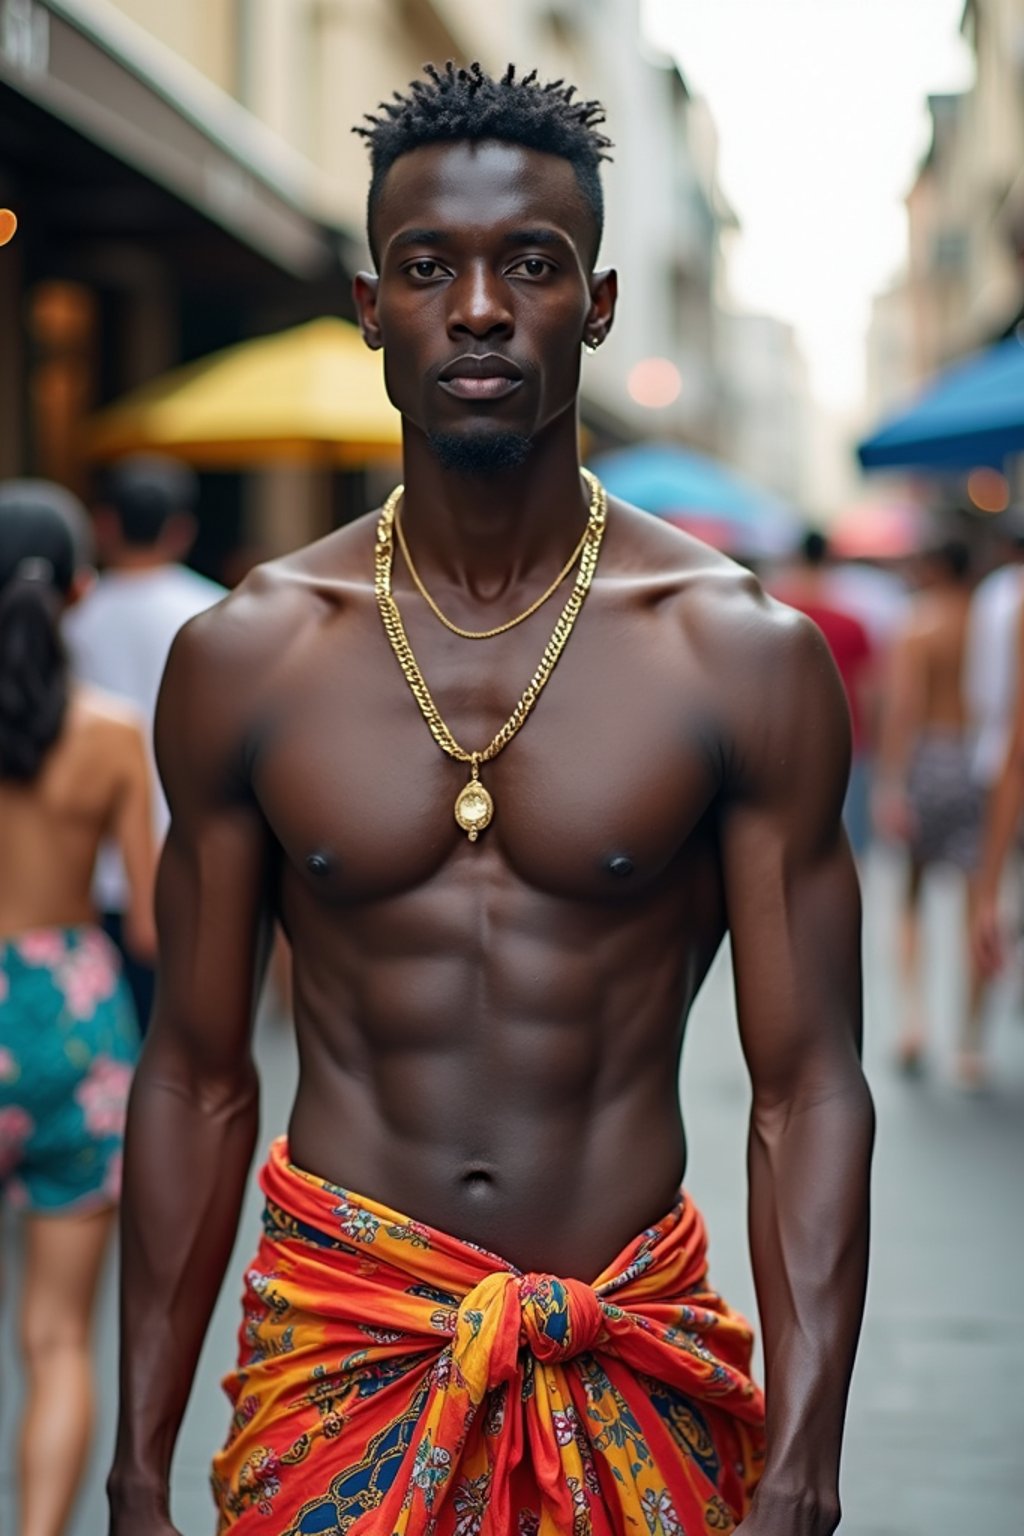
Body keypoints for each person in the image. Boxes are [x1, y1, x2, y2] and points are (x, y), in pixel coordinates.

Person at [108, 63, 872, 1536]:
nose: (476, 308)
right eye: (426, 268)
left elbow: (809, 1083)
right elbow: (197, 1071)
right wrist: (137, 1466)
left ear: (596, 302)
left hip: (624, 1361)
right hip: (339, 1361)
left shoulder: (738, 655)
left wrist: (808, 1455)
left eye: (528, 264)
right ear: (368, 302)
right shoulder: (248, 653)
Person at [0, 481, 156, 1536]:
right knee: (59, 1337)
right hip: (74, 1022)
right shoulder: (111, 736)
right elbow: (148, 925)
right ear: (81, 589)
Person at [63, 455, 224, 1032]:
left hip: (84, 870)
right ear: (182, 529)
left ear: (104, 524)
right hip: (195, 857)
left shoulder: (70, 617)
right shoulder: (220, 613)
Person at [873, 539, 981, 1080]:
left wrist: (891, 783)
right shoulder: (989, 621)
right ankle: (969, 1042)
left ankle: (915, 1020)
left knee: (912, 895)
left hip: (930, 761)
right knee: (977, 900)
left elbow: (904, 707)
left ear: (932, 567)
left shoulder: (917, 625)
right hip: (978, 760)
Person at [773, 529, 875, 858]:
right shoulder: (851, 622)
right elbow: (870, 692)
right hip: (847, 741)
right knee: (846, 846)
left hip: (783, 741)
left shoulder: (771, 613)